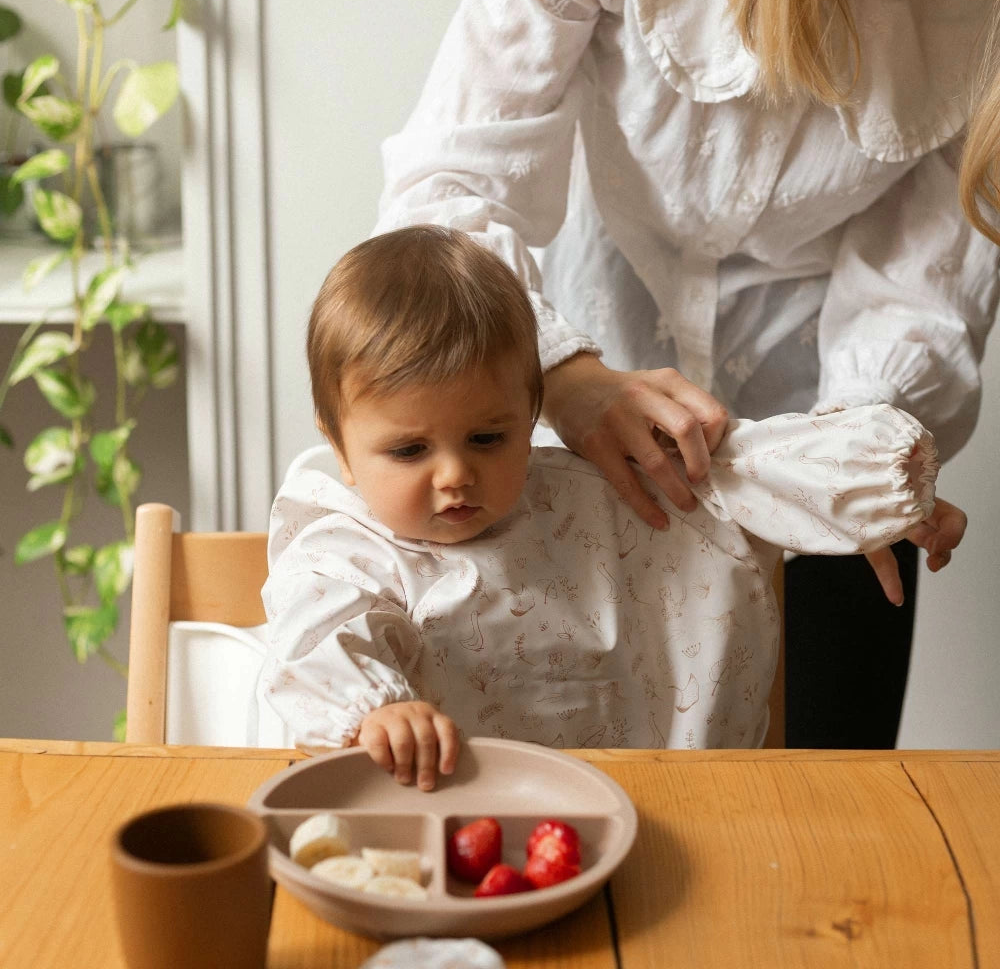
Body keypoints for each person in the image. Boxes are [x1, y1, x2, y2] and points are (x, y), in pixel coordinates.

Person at [370, 0, 995, 748]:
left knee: (829, 818)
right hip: (577, 400)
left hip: (822, 422)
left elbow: (924, 284)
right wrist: (563, 371)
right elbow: (447, 190)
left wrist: (848, 454)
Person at [258, 225, 939, 790]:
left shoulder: (600, 494)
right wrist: (374, 711)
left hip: (657, 810)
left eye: (488, 437)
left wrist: (874, 491)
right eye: (409, 451)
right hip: (439, 822)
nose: (456, 474)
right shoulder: (342, 546)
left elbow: (741, 473)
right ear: (341, 448)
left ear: (531, 417)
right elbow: (313, 635)